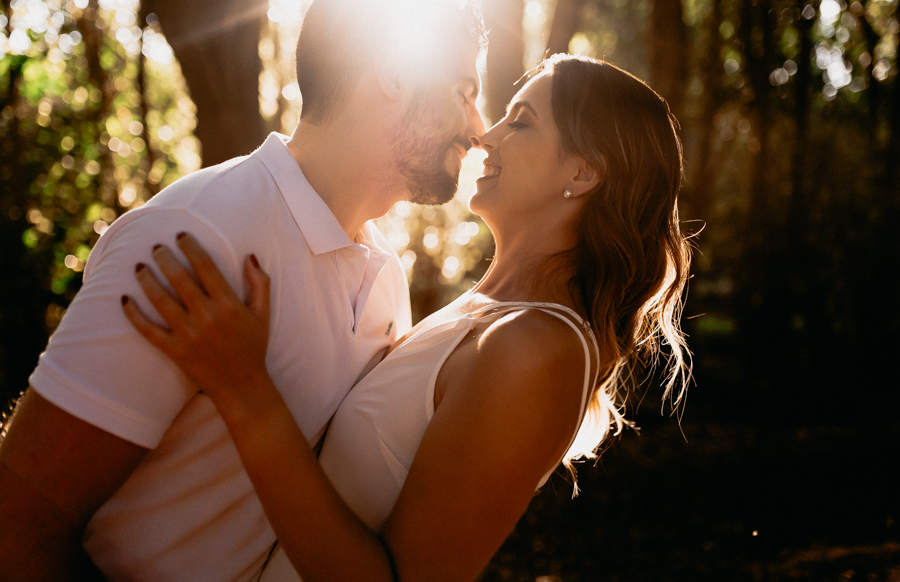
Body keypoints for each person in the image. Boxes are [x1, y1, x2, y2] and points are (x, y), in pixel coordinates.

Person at [123, 53, 693, 581]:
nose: (483, 136)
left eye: (520, 122)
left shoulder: (536, 349)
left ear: (582, 173)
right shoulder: (488, 317)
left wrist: (246, 390)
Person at [0, 0, 486, 580]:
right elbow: (18, 521)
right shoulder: (197, 236)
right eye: (464, 91)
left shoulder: (385, 274)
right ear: (393, 71)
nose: (478, 126)